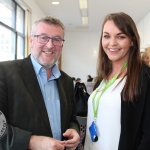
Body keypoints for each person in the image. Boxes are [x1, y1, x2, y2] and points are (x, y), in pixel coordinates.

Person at [0, 16, 80, 150]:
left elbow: (72, 119)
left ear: (61, 44)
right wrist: (30, 141)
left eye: (56, 39)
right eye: (43, 37)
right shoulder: (4, 73)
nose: (50, 45)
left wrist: (74, 130)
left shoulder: (66, 81)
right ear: (31, 40)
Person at [84, 12, 150, 150]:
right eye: (106, 36)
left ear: (132, 41)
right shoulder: (103, 77)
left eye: (120, 37)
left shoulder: (144, 78)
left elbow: (147, 135)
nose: (112, 43)